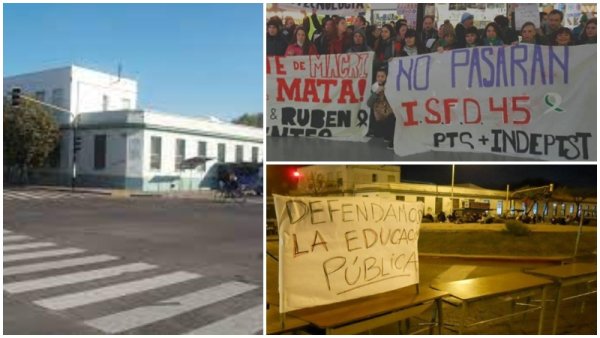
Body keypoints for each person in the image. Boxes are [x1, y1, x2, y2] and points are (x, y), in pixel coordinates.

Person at [366, 68, 395, 150]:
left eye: (382, 76)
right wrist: (376, 93)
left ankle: (390, 138)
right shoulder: (374, 88)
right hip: (379, 117)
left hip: (388, 113)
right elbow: (369, 104)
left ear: (386, 77)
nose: (380, 78)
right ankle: (388, 137)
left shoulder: (390, 87)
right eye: (378, 76)